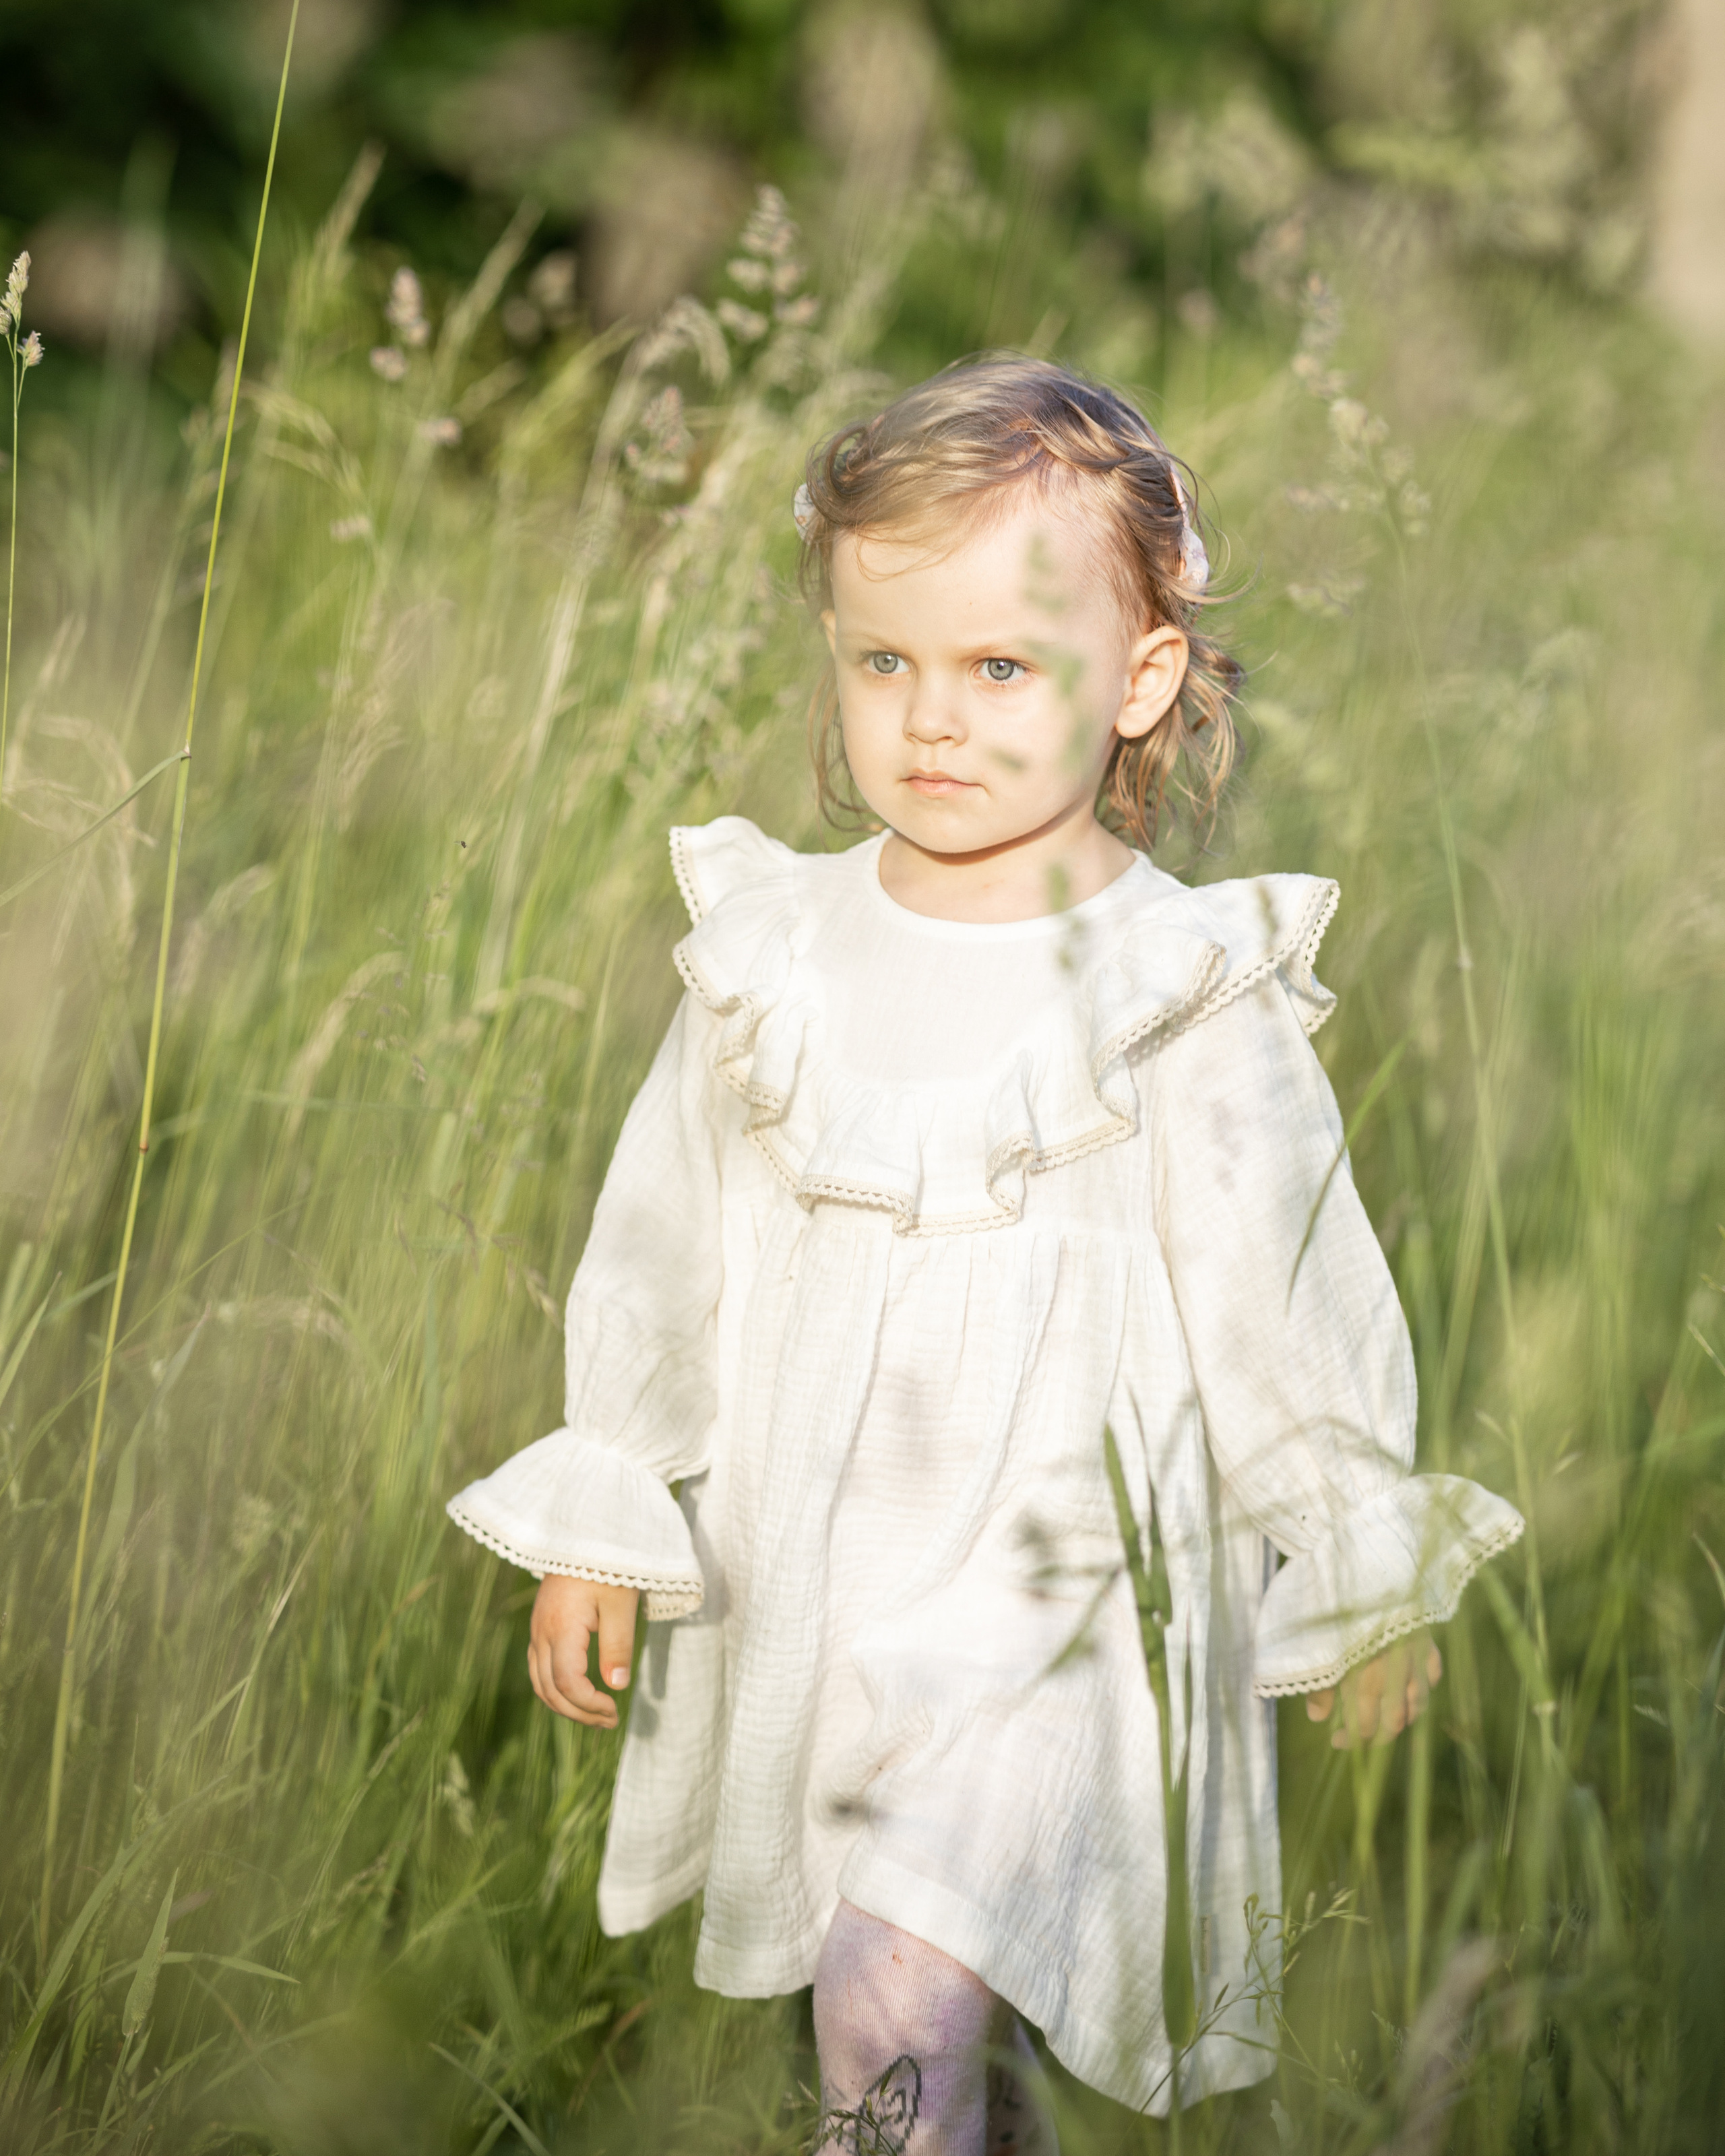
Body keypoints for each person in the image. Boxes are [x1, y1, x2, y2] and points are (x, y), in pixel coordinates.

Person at [446, 356, 1524, 2150]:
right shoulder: (773, 950)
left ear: (1141, 678)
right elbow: (663, 1235)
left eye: (999, 669)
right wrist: (615, 1498)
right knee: (924, 2015)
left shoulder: (1179, 984)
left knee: (905, 1974)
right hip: (827, 1562)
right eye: (886, 663)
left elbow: (1283, 1285)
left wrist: (1350, 1542)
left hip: (1069, 1588)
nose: (929, 721)